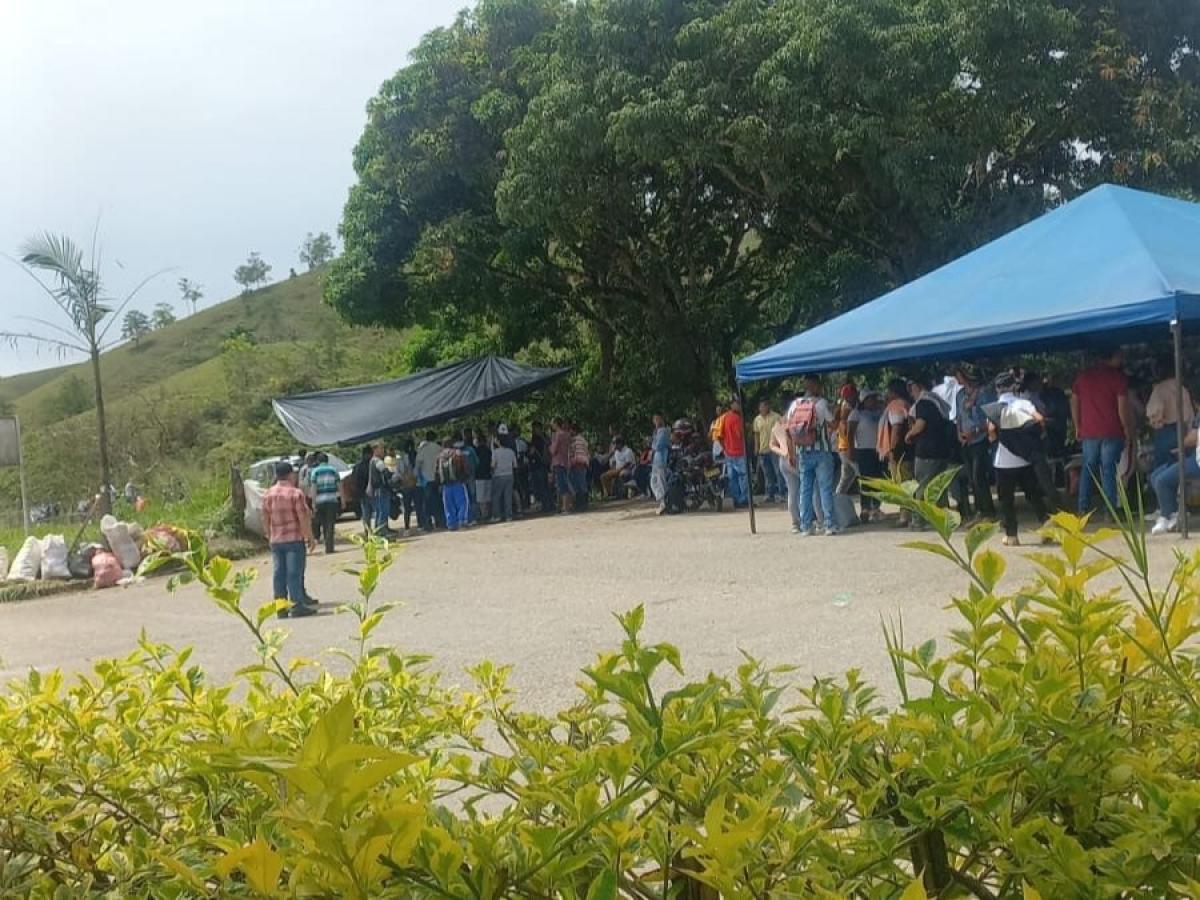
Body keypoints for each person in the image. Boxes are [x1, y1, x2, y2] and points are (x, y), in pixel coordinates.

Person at [1071, 348, 1133, 515]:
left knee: (1088, 468)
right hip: (1112, 430)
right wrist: (1127, 428)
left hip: (1089, 431)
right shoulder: (1118, 378)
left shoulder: (1083, 377)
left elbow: (1074, 402)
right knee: (1108, 470)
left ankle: (1083, 507)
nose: (1122, 359)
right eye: (1120, 355)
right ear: (1113, 357)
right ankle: (1110, 510)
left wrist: (1078, 425)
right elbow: (1122, 408)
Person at [990, 377, 1051, 546]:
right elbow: (1039, 419)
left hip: (1003, 461)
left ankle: (1012, 536)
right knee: (1033, 495)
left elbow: (991, 431)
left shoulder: (995, 409)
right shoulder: (1023, 403)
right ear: (1013, 387)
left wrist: (996, 440)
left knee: (1006, 499)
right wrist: (1037, 438)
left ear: (998, 389)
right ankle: (1047, 527)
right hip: (1025, 459)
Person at [261, 462, 316, 618]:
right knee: (294, 573)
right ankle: (296, 605)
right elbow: (303, 517)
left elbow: (264, 516)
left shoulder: (268, 494)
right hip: (293, 539)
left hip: (276, 540)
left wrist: (268, 533)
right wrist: (310, 537)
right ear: (290, 474)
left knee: (279, 573)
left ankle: (281, 607)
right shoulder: (295, 493)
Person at [905, 376, 964, 520]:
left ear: (918, 387)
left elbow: (920, 425)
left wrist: (909, 434)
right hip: (941, 451)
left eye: (911, 389)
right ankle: (943, 517)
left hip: (926, 451)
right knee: (939, 487)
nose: (911, 393)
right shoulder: (938, 402)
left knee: (922, 486)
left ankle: (918, 520)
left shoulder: (923, 403)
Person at [787, 376, 837, 536]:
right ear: (816, 387)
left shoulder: (795, 404)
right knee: (824, 488)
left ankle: (806, 526)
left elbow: (789, 428)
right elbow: (833, 424)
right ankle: (829, 524)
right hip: (822, 451)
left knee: (805, 490)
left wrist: (791, 452)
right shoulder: (821, 404)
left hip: (803, 452)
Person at [954, 365, 997, 521]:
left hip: (980, 439)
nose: (957, 378)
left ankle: (988, 511)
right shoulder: (960, 395)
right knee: (972, 477)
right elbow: (958, 416)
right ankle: (980, 510)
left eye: (959, 375)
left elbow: (991, 417)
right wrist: (959, 433)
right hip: (965, 441)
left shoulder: (984, 393)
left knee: (979, 475)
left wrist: (976, 431)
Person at [1150, 416, 1200, 534]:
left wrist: (1181, 444)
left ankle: (1168, 515)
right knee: (1155, 476)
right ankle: (1173, 512)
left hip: (1198, 461)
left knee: (1161, 480)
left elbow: (1193, 437)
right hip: (1194, 456)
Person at [1146, 355, 1195, 470]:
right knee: (1182, 469)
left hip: (1167, 430)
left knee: (1163, 468)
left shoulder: (1159, 388)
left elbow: (1154, 411)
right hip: (1185, 429)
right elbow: (1190, 412)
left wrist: (1155, 423)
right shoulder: (1183, 388)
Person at [877, 378, 913, 527]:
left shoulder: (896, 406)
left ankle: (905, 515)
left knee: (903, 484)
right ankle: (907, 513)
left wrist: (891, 450)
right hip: (906, 449)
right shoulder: (905, 403)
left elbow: (896, 428)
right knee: (906, 482)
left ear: (893, 391)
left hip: (899, 451)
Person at [848, 390, 884, 521]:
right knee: (865, 481)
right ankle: (865, 508)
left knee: (878, 480)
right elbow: (850, 434)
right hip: (863, 450)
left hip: (877, 450)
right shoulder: (856, 414)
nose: (874, 401)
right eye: (871, 399)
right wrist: (850, 450)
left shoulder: (878, 413)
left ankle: (876, 506)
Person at [769, 416, 802, 533]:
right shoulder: (793, 423)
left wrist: (782, 452)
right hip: (795, 457)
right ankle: (810, 519)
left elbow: (772, 445)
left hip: (782, 460)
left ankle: (795, 523)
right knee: (807, 489)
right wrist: (790, 453)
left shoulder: (776, 426)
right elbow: (791, 440)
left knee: (792, 492)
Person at [715, 398, 749, 508]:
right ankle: (743, 499)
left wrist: (725, 448)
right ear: (732, 405)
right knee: (743, 476)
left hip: (728, 453)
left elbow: (718, 436)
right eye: (738, 404)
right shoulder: (737, 418)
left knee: (732, 477)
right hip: (739, 451)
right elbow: (740, 434)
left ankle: (736, 499)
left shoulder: (723, 418)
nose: (739, 406)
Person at [308, 452, 341, 554]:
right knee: (330, 524)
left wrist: (313, 503)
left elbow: (313, 488)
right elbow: (340, 486)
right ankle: (329, 547)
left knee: (322, 523)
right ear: (327, 460)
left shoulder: (315, 472)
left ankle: (326, 544)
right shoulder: (333, 470)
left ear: (318, 461)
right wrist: (343, 499)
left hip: (319, 501)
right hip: (332, 500)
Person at [436, 438, 470, 531]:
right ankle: (462, 521)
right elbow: (466, 466)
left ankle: (451, 524)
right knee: (463, 503)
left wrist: (439, 483)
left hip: (446, 485)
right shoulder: (457, 453)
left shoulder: (440, 456)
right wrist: (466, 477)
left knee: (448, 505)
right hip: (458, 482)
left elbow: (436, 472)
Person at [752, 400, 782, 503]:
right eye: (762, 406)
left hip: (775, 449)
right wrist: (756, 447)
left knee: (778, 472)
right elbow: (756, 434)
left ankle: (781, 493)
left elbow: (781, 431)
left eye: (765, 405)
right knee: (767, 473)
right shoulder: (757, 419)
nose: (764, 408)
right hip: (763, 450)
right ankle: (770, 494)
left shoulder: (776, 417)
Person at [835, 384, 859, 498]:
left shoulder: (845, 407)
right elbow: (846, 432)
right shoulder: (847, 408)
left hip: (843, 448)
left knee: (846, 477)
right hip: (847, 448)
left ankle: (837, 500)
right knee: (862, 475)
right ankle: (871, 507)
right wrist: (851, 449)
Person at [415, 431, 442, 531]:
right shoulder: (439, 448)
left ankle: (428, 524)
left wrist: (417, 478)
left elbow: (418, 464)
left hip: (426, 480)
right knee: (437, 501)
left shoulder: (422, 449)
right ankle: (439, 522)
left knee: (426, 503)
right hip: (437, 478)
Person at [491, 438, 518, 522]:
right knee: (508, 496)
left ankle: (497, 515)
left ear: (499, 442)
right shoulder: (511, 451)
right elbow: (515, 465)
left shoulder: (495, 452)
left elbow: (493, 465)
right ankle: (508, 515)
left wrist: (493, 472)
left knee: (496, 497)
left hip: (498, 475)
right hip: (509, 475)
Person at [550, 417, 573, 514]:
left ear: (556, 424)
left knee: (561, 485)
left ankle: (565, 508)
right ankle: (566, 506)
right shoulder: (567, 435)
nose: (551, 425)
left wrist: (550, 446)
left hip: (558, 462)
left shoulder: (557, 435)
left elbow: (553, 450)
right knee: (564, 483)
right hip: (565, 461)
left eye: (552, 423)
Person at [528, 421, 552, 513]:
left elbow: (532, 452)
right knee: (546, 486)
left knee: (541, 486)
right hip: (546, 465)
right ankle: (549, 504)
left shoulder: (536, 439)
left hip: (538, 465)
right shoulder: (546, 437)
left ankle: (546, 506)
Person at [650, 414, 671, 514]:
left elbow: (657, 446)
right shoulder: (657, 432)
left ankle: (664, 502)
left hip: (661, 459)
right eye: (655, 420)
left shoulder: (664, 431)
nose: (656, 422)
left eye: (658, 420)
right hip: (656, 460)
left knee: (660, 481)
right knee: (654, 481)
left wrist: (653, 445)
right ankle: (662, 500)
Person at [352, 446, 374, 536]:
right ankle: (373, 532)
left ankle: (367, 532)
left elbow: (353, 479)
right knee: (377, 512)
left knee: (366, 514)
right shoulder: (370, 464)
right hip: (371, 491)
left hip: (361, 493)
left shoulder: (356, 466)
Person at [570, 422, 591, 510]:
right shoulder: (583, 440)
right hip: (584, 463)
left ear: (574, 430)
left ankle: (580, 504)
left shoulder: (574, 440)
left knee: (578, 484)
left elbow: (573, 451)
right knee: (582, 482)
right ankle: (584, 503)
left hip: (577, 463)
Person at [474, 432, 493, 523]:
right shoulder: (488, 450)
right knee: (488, 496)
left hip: (479, 476)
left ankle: (483, 514)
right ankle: (488, 513)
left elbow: (475, 463)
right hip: (488, 475)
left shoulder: (476, 450)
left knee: (481, 498)